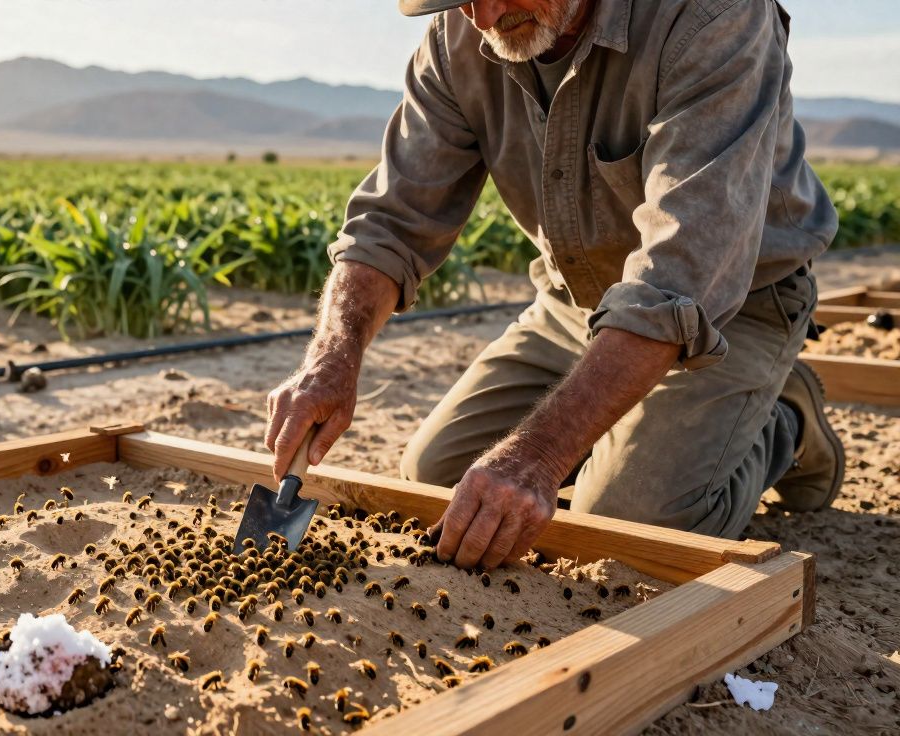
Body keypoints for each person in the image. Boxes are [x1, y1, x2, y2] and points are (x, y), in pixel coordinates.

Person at [265, 0, 844, 571]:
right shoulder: (457, 36)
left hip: (724, 311)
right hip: (576, 303)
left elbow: (681, 273)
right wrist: (331, 356)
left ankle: (784, 420)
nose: (483, 18)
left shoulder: (714, 16)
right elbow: (392, 222)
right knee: (435, 478)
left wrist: (541, 454)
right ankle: (624, 432)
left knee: (629, 526)